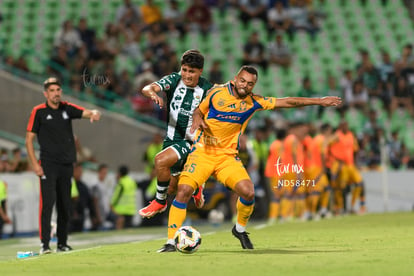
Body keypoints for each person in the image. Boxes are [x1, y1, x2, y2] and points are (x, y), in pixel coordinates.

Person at [158, 65, 342, 252]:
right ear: (236, 78)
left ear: (254, 85)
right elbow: (198, 110)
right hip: (202, 153)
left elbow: (288, 102)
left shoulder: (254, 101)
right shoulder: (216, 93)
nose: (245, 86)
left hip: (227, 157)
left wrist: (319, 101)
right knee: (183, 191)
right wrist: (197, 118)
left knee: (248, 193)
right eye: (243, 81)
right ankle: (171, 241)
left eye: (250, 84)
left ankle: (239, 229)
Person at [25, 77, 101, 254]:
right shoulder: (39, 111)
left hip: (67, 164)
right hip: (48, 165)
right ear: (45, 93)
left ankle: (62, 243)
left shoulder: (67, 108)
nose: (56, 93)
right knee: (48, 204)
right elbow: (29, 140)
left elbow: (87, 112)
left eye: (58, 90)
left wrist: (95, 113)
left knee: (65, 205)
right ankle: (45, 244)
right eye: (52, 90)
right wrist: (35, 164)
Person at [138, 50, 213, 218]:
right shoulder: (174, 79)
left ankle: (159, 201)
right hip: (171, 139)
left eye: (191, 71)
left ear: (200, 71)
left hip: (191, 141)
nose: (186, 75)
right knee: (172, 187)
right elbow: (147, 88)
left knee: (160, 160)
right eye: (184, 70)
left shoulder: (207, 88)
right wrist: (152, 93)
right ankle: (198, 183)